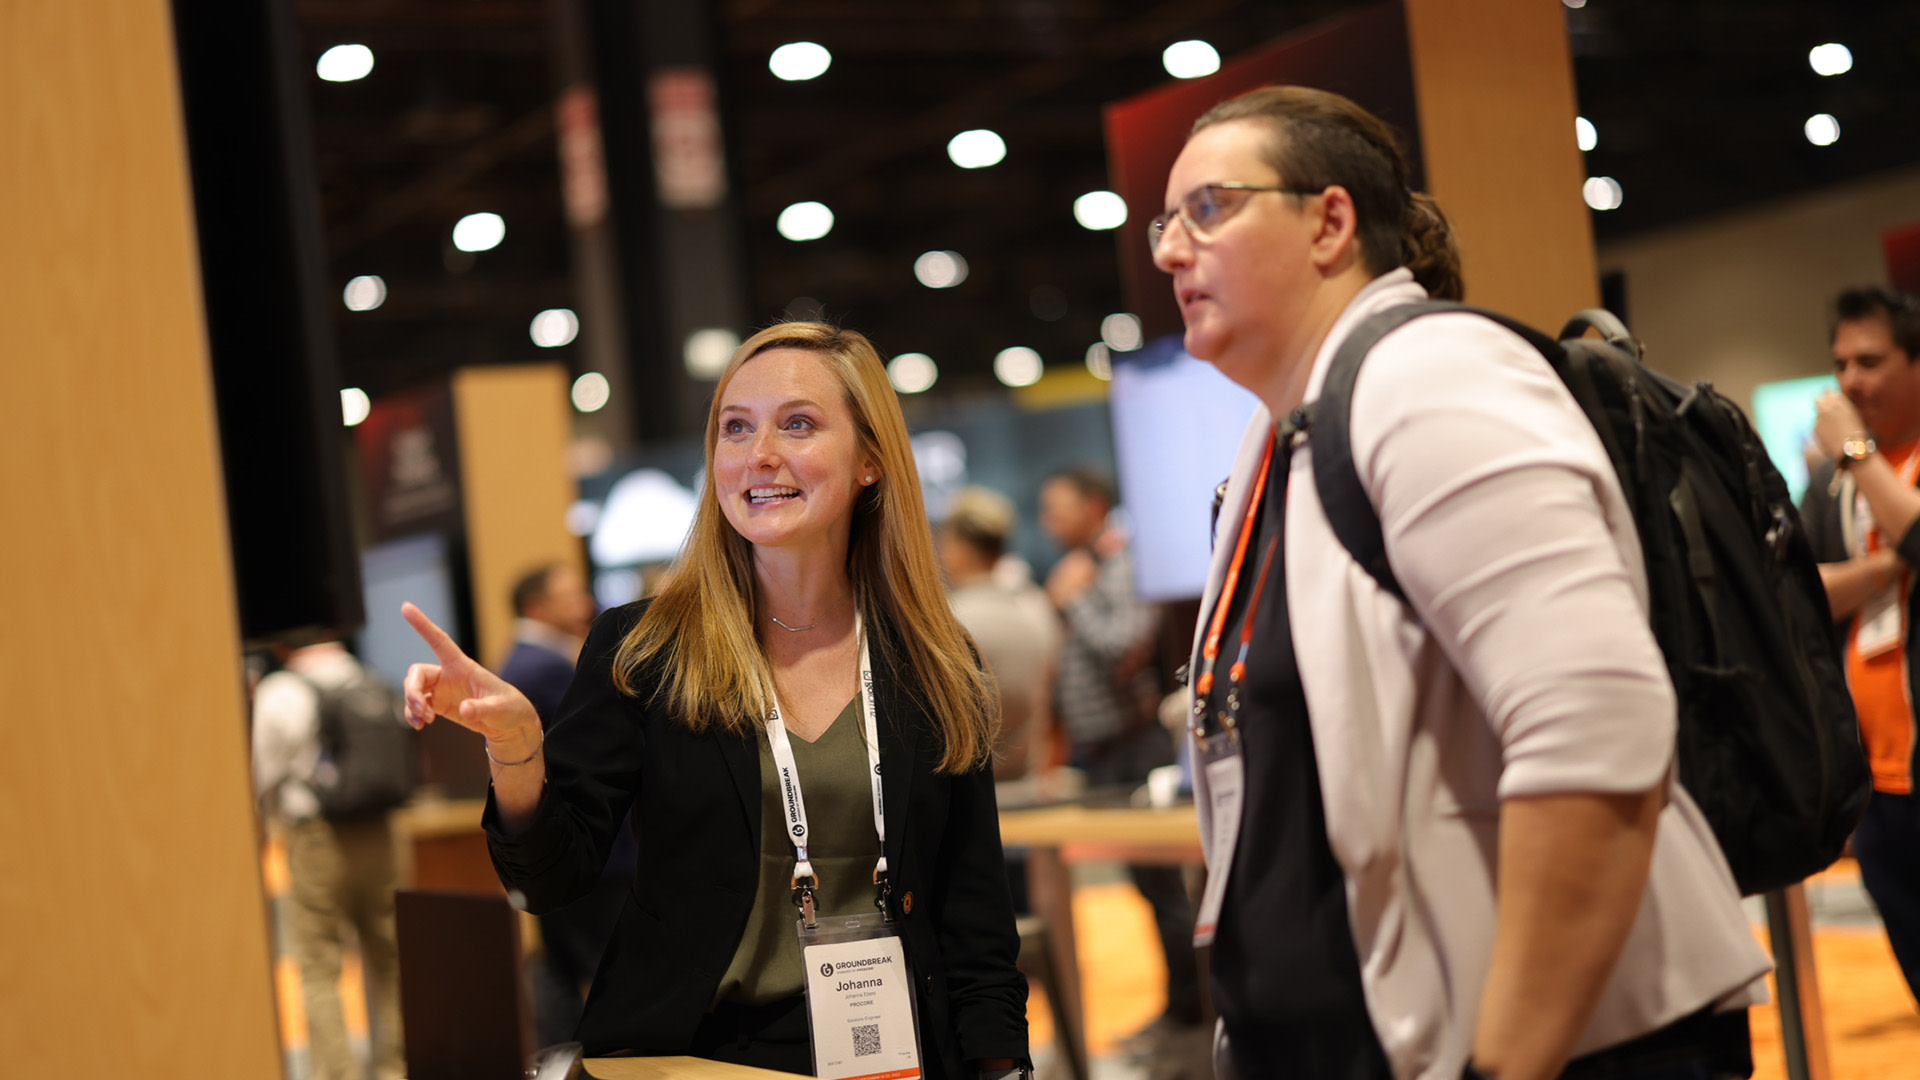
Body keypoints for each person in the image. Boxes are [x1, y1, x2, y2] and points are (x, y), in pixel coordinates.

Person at [1150, 85, 1769, 1080]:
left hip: (1564, 1049)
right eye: (1164, 225)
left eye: (1208, 210)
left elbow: (1594, 725)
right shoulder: (1284, 435)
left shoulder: (1428, 376)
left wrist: (1507, 1063)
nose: (1174, 250)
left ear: (1330, 221)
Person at [398, 321, 1031, 1079]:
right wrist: (517, 750)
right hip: (687, 1054)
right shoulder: (647, 650)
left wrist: (1003, 1066)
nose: (759, 454)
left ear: (870, 458)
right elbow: (550, 881)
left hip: (892, 1054)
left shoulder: (931, 658)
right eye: (736, 428)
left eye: (797, 423)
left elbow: (975, 912)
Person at [1039, 467, 1205, 1048]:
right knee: (1146, 888)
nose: (1047, 521)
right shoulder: (1087, 568)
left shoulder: (1125, 565)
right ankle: (1182, 1006)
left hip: (1138, 747)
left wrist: (1075, 600)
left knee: (1163, 888)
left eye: (1057, 507)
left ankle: (1191, 1011)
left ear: (1093, 506)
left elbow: (1125, 649)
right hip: (1101, 750)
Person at [1799, 285, 1920, 1010]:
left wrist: (1854, 450)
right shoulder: (1832, 484)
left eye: (1870, 361)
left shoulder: (1856, 462)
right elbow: (1798, 591)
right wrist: (1881, 570)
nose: (1849, 381)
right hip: (1878, 790)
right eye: (1840, 363)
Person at [252, 639, 406, 1080]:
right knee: (391, 959)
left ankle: (338, 1074)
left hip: (316, 836)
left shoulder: (281, 690)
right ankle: (394, 1068)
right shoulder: (365, 675)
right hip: (382, 831)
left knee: (319, 965)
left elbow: (262, 773)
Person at [496, 562, 635, 1048]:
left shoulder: (523, 661)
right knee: (606, 969)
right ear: (536, 607)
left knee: (559, 965)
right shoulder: (547, 667)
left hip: (561, 848)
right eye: (571, 595)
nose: (584, 605)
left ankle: (557, 1061)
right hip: (591, 850)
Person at [937, 486, 1061, 795]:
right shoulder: (1037, 608)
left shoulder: (947, 623)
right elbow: (1049, 710)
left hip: (969, 802)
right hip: (1030, 791)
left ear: (959, 548)